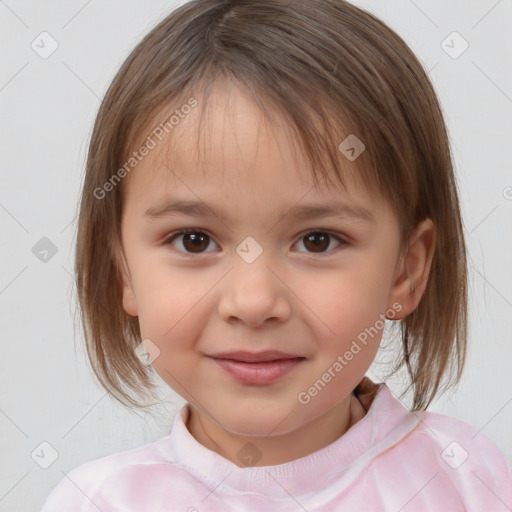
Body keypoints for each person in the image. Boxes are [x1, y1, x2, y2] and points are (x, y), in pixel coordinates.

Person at [41, 0, 512, 510]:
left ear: (406, 271)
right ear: (123, 273)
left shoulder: (466, 478)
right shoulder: (98, 502)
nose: (253, 301)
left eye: (317, 240)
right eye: (194, 240)